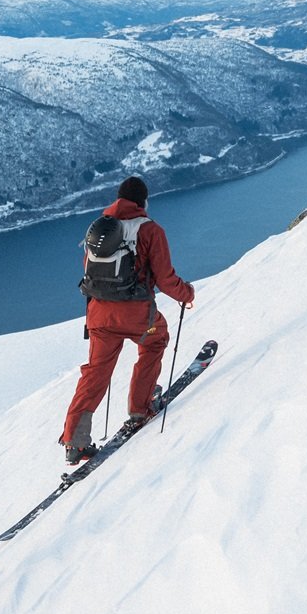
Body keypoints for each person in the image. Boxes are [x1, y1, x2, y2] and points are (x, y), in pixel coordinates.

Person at [61, 174, 194, 463]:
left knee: (96, 371)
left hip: (98, 315)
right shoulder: (150, 230)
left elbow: (90, 273)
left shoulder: (99, 228)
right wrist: (186, 294)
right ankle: (140, 407)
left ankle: (74, 440)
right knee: (155, 340)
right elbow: (165, 278)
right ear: (143, 202)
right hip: (135, 314)